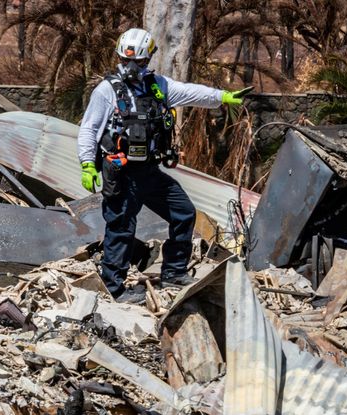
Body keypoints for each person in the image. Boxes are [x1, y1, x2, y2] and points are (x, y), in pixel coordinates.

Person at [78, 28, 248, 301]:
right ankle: (114, 288)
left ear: (148, 60)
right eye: (126, 61)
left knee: (183, 212)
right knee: (121, 228)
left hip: (149, 171)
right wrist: (87, 163)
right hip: (121, 173)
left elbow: (192, 93)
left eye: (139, 62)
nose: (132, 67)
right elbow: (89, 129)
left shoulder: (159, 86)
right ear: (120, 58)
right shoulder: (106, 91)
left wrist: (223, 97)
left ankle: (174, 272)